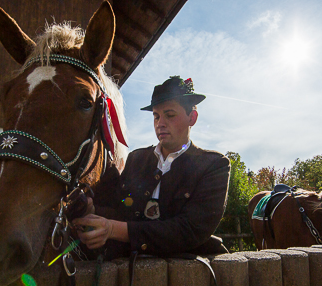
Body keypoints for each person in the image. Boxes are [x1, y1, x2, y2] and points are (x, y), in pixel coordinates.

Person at [72, 75, 230, 258]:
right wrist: (94, 211)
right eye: (156, 116)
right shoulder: (136, 159)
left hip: (188, 276)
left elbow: (190, 230)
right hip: (129, 272)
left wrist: (113, 229)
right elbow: (122, 210)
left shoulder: (214, 165)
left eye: (170, 115)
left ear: (192, 117)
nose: (160, 123)